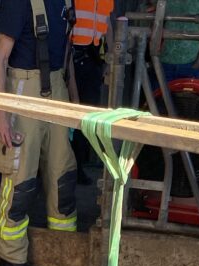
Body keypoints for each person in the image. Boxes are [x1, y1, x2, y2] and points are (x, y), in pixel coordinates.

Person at [0, 0, 78, 266]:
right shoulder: (19, 3)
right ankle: (11, 256)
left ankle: (64, 251)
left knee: (62, 173)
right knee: (21, 178)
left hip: (58, 87)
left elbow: (67, 51)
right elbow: (0, 58)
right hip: (22, 91)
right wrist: (1, 115)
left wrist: (73, 98)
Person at [69, 0, 113, 184]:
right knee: (70, 114)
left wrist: (111, 58)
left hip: (94, 58)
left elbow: (107, 22)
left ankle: (78, 167)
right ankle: (66, 168)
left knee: (87, 116)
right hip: (72, 56)